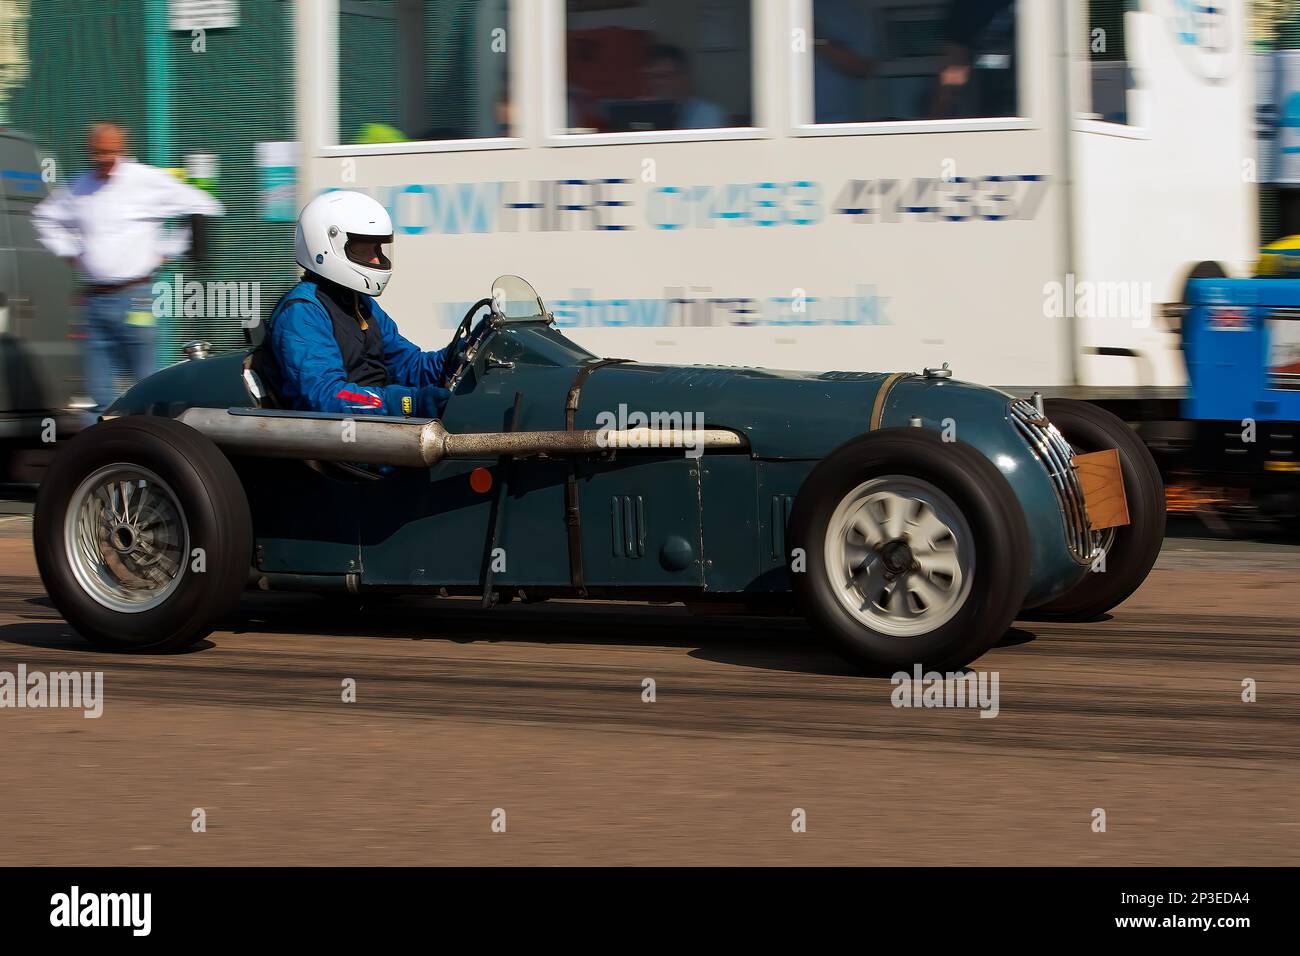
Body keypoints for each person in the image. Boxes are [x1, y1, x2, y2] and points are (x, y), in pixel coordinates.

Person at [32, 121, 224, 413]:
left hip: (136, 298)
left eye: (112, 152)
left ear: (123, 150)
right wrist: (70, 251)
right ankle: (98, 453)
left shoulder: (144, 180)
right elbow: (44, 217)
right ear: (89, 152)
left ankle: (152, 442)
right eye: (99, 153)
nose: (105, 159)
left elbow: (204, 204)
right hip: (95, 300)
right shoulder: (80, 187)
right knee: (99, 394)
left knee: (145, 384)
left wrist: (168, 250)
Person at [269, 190, 450, 419]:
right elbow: (327, 395)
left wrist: (457, 354)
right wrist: (405, 402)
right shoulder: (302, 312)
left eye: (377, 249)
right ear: (324, 246)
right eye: (364, 250)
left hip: (370, 431)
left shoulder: (358, 302)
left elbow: (409, 365)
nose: (376, 260)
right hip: (337, 441)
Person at [643, 44, 728, 130]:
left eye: (665, 76)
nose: (658, 83)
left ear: (683, 78)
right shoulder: (645, 113)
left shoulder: (709, 114)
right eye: (653, 76)